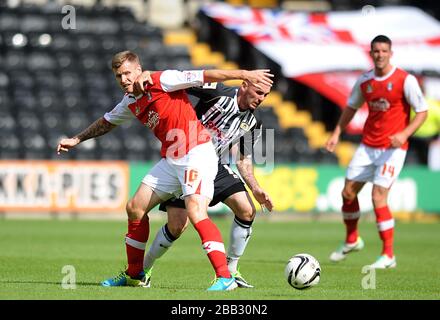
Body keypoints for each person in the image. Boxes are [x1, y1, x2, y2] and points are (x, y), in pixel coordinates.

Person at [56, 50, 273, 290]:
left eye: (128, 73)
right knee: (135, 208)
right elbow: (107, 122)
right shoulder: (129, 102)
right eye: (119, 76)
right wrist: (77, 139)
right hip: (173, 158)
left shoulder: (164, 80)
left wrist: (244, 73)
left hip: (198, 152)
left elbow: (206, 74)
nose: (124, 79)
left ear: (139, 70)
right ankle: (136, 275)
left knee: (197, 211)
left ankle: (226, 277)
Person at [133, 77, 274, 288]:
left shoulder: (253, 123)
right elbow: (180, 81)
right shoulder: (217, 92)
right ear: (244, 85)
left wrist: (255, 188)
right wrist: (152, 78)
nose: (261, 99)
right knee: (177, 226)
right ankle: (143, 269)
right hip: (187, 159)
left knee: (246, 209)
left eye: (265, 95)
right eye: (259, 92)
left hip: (214, 165)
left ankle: (232, 271)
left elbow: (243, 159)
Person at [325, 35, 428, 269]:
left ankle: (388, 255)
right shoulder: (365, 81)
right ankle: (352, 239)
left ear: (391, 53)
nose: (380, 55)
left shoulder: (405, 80)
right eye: (376, 51)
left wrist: (404, 134)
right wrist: (336, 132)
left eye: (384, 51)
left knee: (378, 196)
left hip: (393, 149)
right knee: (348, 193)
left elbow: (422, 112)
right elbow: (351, 107)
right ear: (371, 54)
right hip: (367, 146)